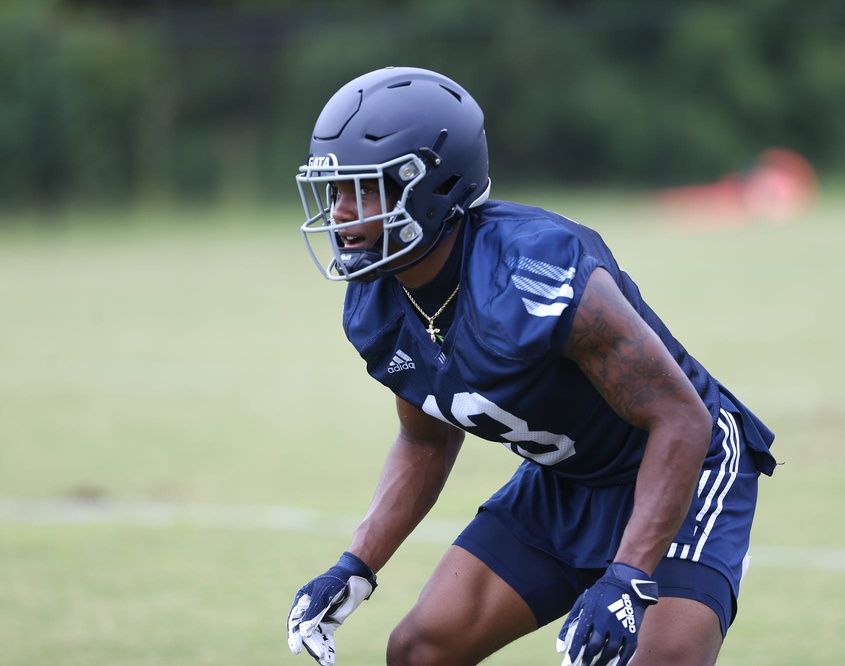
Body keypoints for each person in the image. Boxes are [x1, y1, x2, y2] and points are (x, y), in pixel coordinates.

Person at [285, 66, 776, 666]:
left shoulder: (536, 273)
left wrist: (626, 580)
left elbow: (680, 418)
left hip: (681, 465)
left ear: (431, 186)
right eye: (334, 192)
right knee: (420, 652)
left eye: (362, 190)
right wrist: (356, 565)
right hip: (565, 480)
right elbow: (425, 439)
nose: (337, 215)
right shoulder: (376, 303)